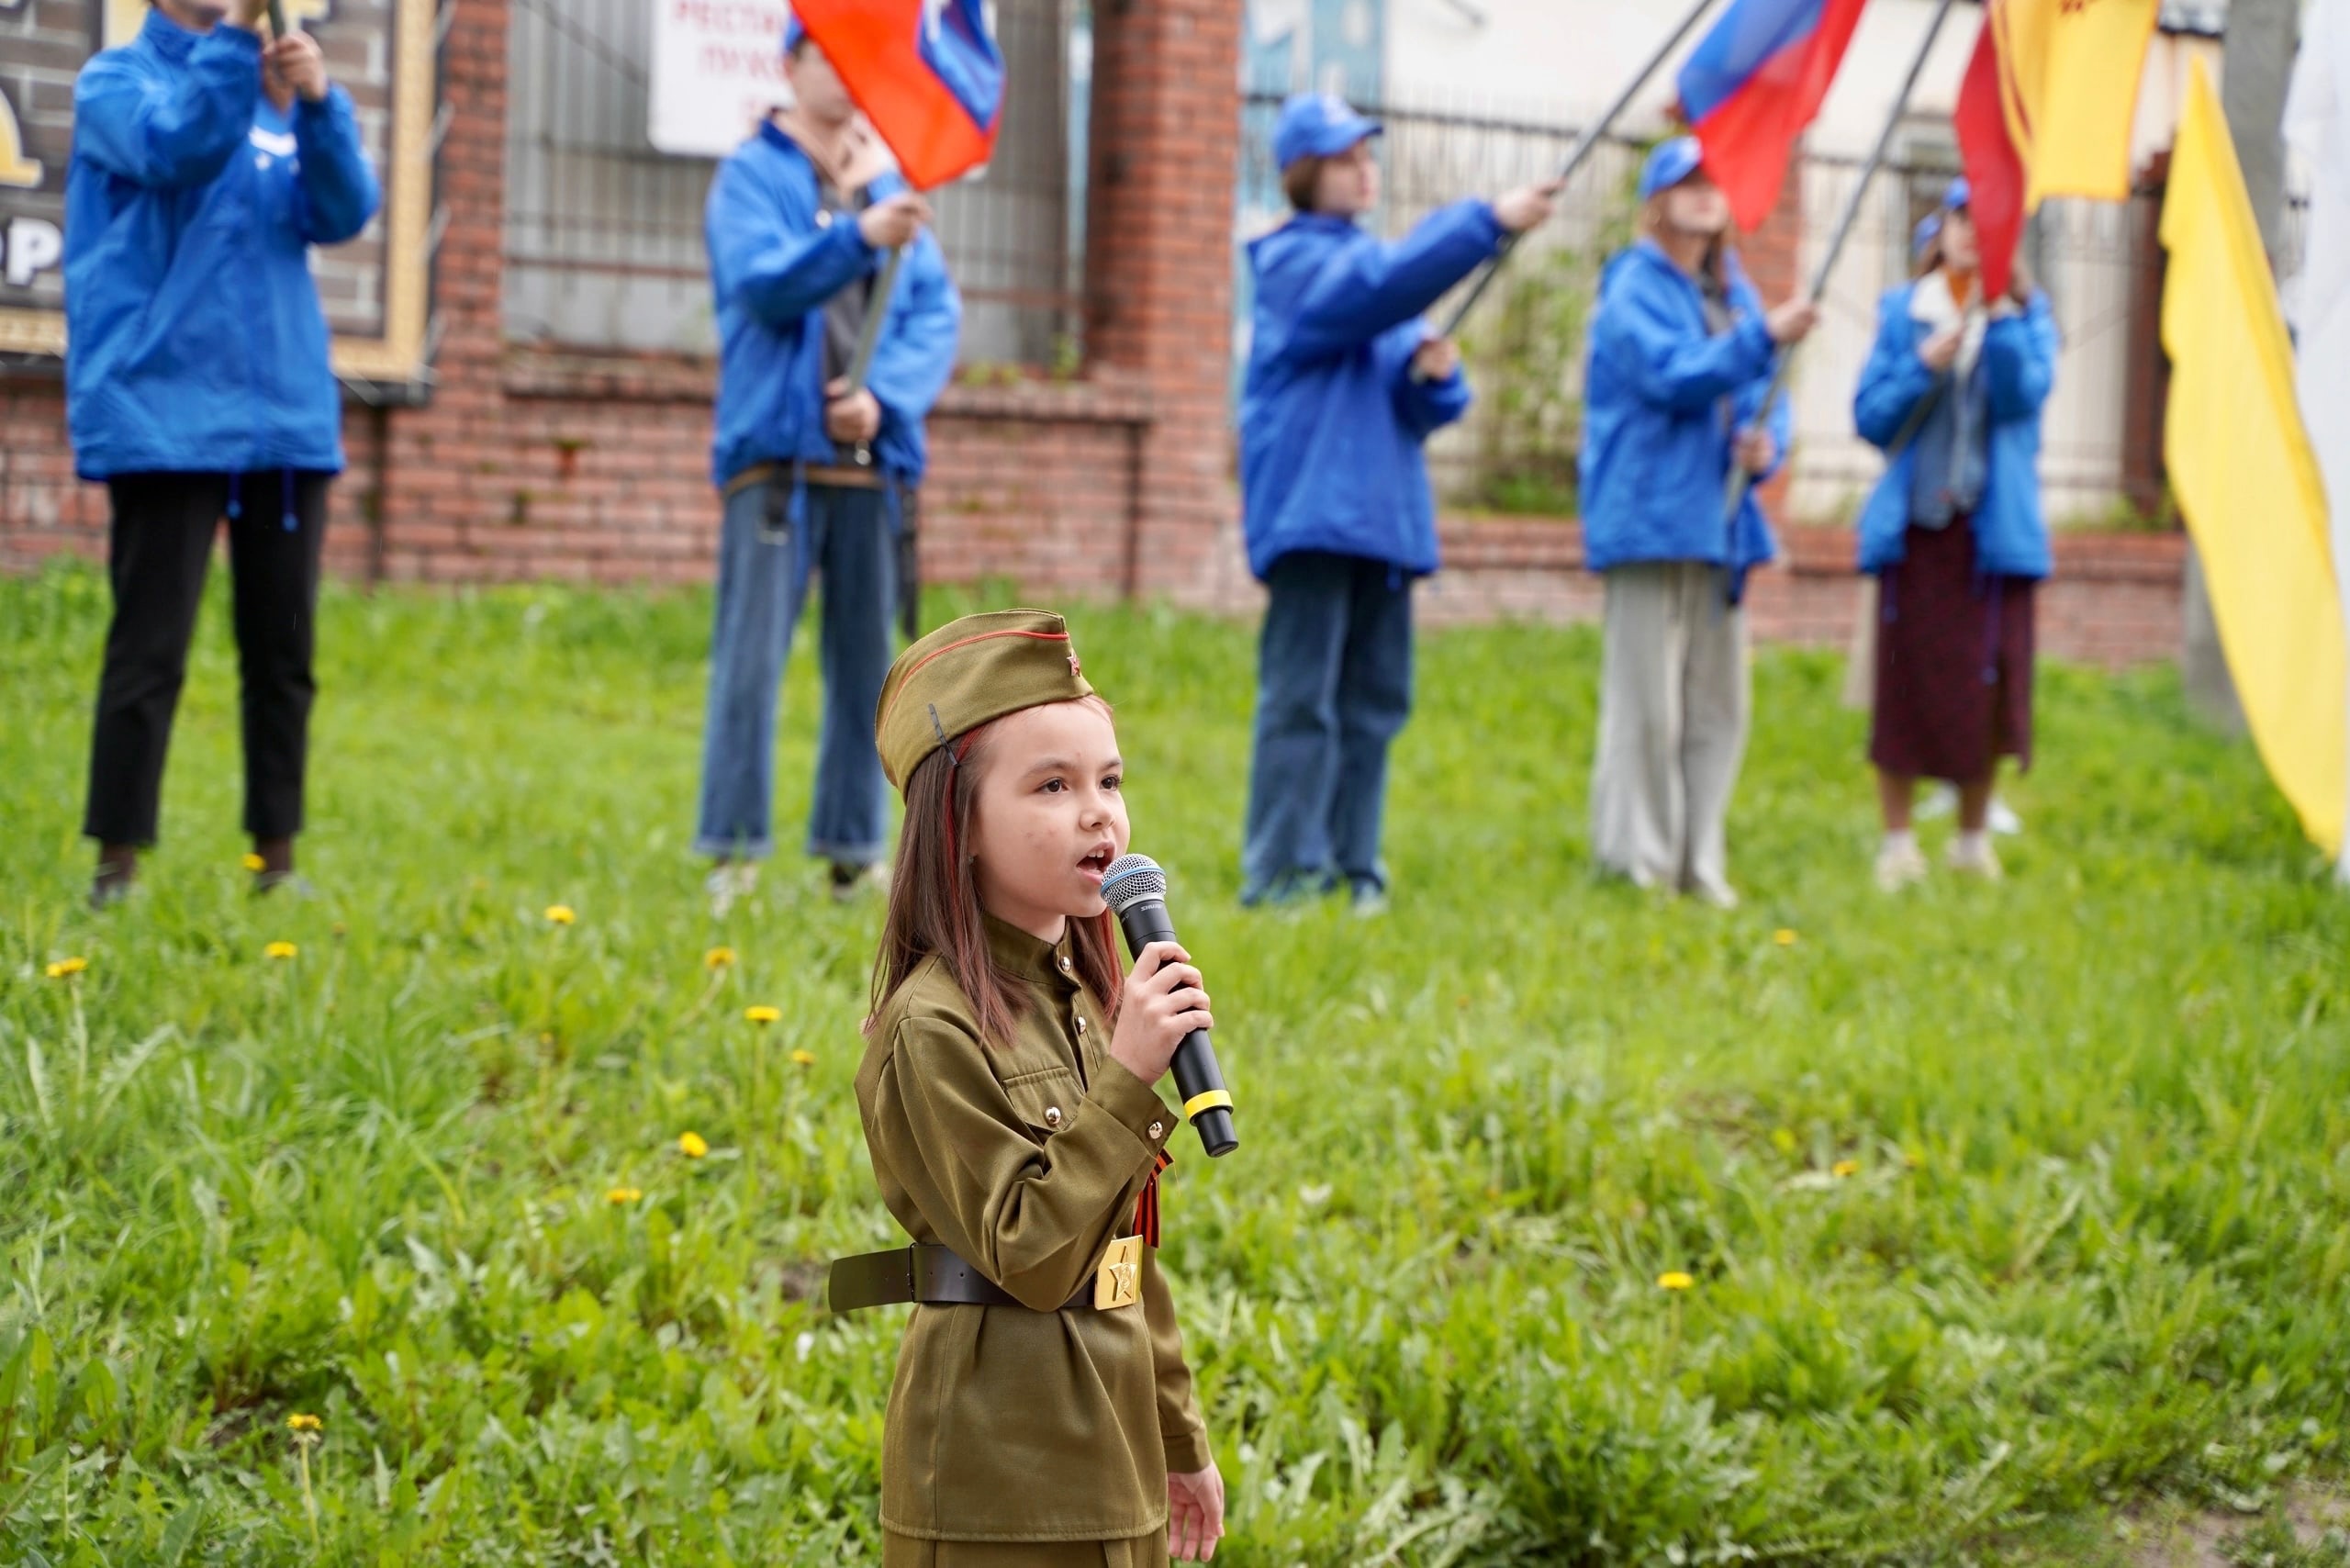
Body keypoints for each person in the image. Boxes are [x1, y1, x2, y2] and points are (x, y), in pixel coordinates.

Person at [833, 609, 1225, 1565]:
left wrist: (1179, 1440)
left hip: (1114, 1453)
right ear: (956, 827)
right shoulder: (932, 1028)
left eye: (1109, 779)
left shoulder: (1088, 997)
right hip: (996, 1487)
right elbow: (1033, 1254)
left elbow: (1125, 1251)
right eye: (1052, 785)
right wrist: (1131, 1078)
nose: (1099, 812)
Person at [65, 0, 380, 908]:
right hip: (167, 414)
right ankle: (115, 868)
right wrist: (241, 47)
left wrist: (320, 107)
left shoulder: (282, 92)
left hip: (283, 418)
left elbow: (340, 210)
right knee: (150, 649)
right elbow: (180, 146)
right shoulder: (116, 83)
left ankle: (274, 864)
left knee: (282, 653)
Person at [1236, 93, 1560, 913]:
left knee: (1373, 703)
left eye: (1367, 157)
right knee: (1303, 700)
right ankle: (1281, 873)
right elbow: (1377, 288)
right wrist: (1485, 221)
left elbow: (1407, 405)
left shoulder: (1368, 276)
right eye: (1345, 158)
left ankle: (1354, 868)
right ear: (1303, 173)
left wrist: (1437, 380)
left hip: (1382, 521)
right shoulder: (1294, 265)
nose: (1363, 172)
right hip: (1316, 517)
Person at [696, 22, 961, 914]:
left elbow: (933, 316)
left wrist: (881, 397)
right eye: (827, 59)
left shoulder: (894, 188)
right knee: (749, 661)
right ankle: (732, 852)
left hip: (867, 467)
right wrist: (855, 236)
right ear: (790, 65)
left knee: (868, 672)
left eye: (859, 65)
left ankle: (851, 853)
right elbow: (762, 282)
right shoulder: (752, 176)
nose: (845, 80)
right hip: (777, 456)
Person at [1579, 138, 1817, 909]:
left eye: (1715, 178)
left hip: (1722, 528)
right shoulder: (1632, 285)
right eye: (1686, 179)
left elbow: (1765, 398)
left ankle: (1697, 863)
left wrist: (1765, 444)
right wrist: (1761, 339)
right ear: (1656, 198)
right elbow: (1672, 373)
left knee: (1719, 705)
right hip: (1650, 519)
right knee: (1648, 706)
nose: (1705, 191)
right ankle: (1637, 863)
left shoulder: (1734, 292)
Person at [1852, 178, 2056, 890]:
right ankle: (1898, 842)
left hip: (1992, 534)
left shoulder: (2029, 314)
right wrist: (1921, 368)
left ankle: (1973, 840)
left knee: (1990, 687)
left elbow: (2025, 396)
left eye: (1989, 219)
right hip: (1918, 531)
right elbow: (1870, 417)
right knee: (1904, 684)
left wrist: (1998, 318)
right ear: (1940, 227)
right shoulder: (1902, 313)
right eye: (1961, 217)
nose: (1973, 230)